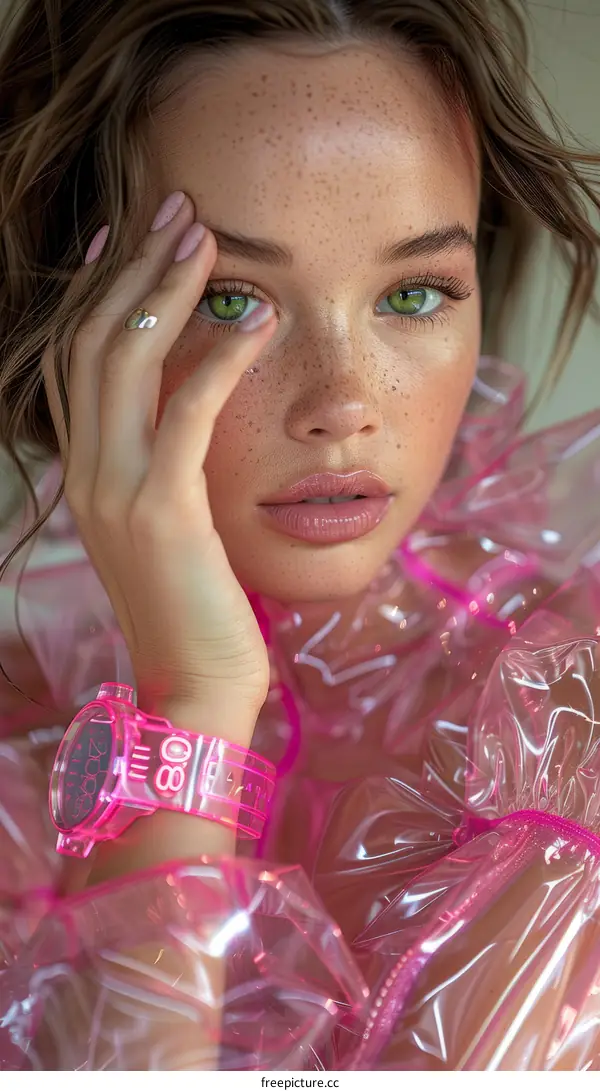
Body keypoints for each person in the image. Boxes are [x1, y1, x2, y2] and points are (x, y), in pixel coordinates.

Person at [0, 0, 600, 1071]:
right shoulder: (17, 737)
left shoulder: (576, 723)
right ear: (76, 321)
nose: (342, 403)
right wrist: (189, 700)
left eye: (414, 292)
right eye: (229, 299)